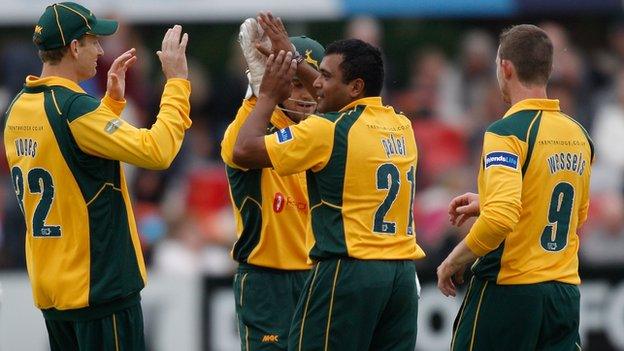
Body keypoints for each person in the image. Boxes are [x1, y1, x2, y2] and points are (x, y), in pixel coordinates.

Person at [2, 2, 191, 350]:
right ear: (74, 47)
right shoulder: (75, 108)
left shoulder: (16, 108)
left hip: (55, 291)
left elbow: (71, 159)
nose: (101, 51)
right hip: (100, 288)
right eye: (94, 41)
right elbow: (157, 151)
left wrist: (110, 108)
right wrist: (177, 84)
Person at [233, 21, 426, 350]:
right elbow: (336, 96)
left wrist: (264, 94)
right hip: (402, 278)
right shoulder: (401, 123)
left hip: (347, 272)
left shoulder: (326, 130)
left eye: (325, 76)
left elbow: (244, 149)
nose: (316, 84)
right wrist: (294, 61)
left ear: (354, 87)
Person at [436, 24, 593, 351]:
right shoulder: (578, 134)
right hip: (563, 292)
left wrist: (453, 260)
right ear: (548, 69)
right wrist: (490, 199)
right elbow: (576, 216)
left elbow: (501, 219)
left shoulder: (506, 132)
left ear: (505, 67)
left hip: (511, 290)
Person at [220, 17, 325, 351]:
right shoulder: (256, 123)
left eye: (311, 85)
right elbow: (236, 150)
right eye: (294, 85)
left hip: (319, 275)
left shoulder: (325, 129)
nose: (305, 97)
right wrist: (258, 93)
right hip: (267, 279)